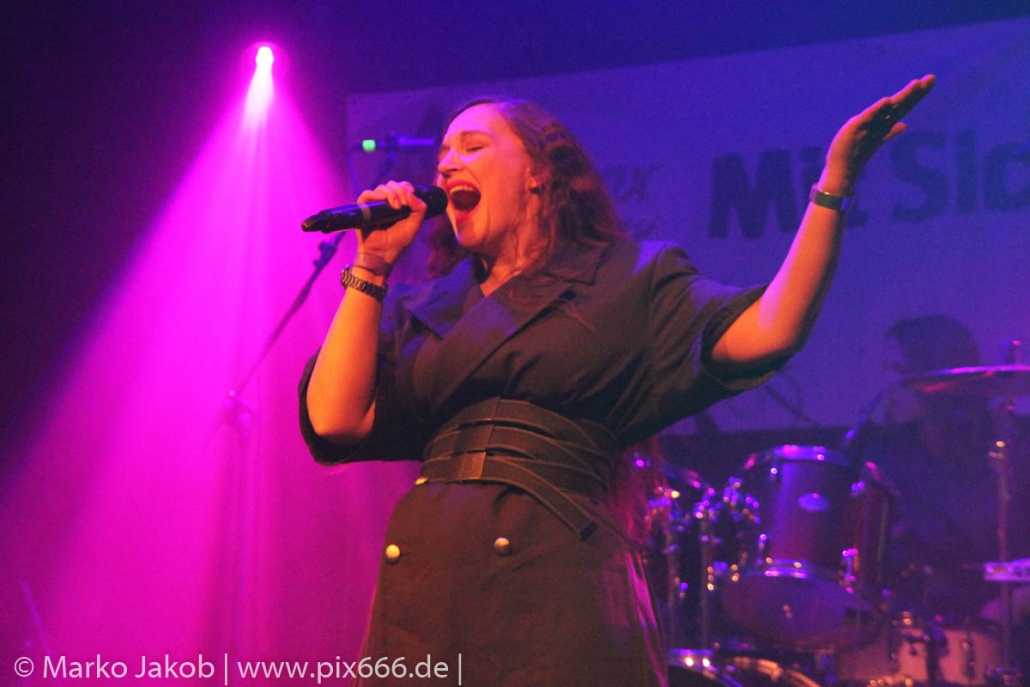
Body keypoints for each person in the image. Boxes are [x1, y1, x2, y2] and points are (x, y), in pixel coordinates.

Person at [299, 76, 936, 686]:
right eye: (442, 153)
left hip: (553, 580)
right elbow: (333, 419)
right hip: (426, 589)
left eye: (472, 147)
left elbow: (772, 328)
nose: (445, 166)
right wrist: (372, 266)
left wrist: (832, 188)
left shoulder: (627, 279)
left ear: (538, 173)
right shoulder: (425, 307)